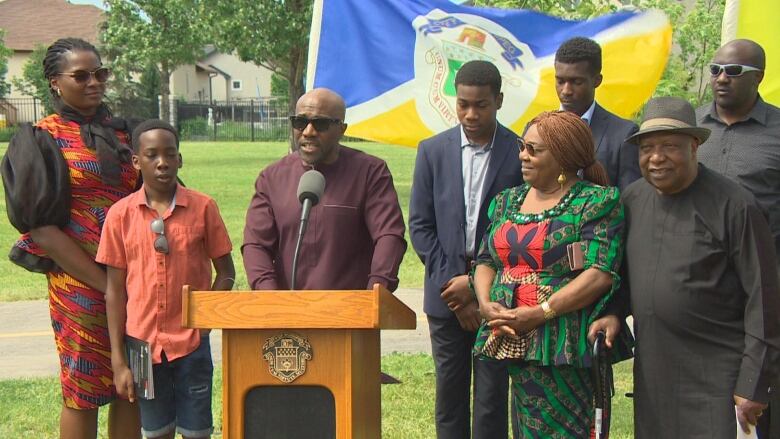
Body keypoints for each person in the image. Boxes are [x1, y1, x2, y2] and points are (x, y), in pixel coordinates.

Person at [589, 96, 780, 438]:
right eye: (647, 148)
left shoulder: (735, 206)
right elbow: (629, 275)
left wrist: (753, 381)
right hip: (655, 372)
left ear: (694, 146)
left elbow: (764, 299)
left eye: (669, 146)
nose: (656, 158)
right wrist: (615, 312)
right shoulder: (633, 199)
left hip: (719, 377)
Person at [0, 38, 141, 438]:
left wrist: (133, 284)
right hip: (79, 283)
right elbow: (42, 229)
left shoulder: (126, 134)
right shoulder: (40, 139)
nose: (94, 82)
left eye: (100, 73)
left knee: (131, 385)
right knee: (83, 389)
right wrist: (107, 287)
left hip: (135, 278)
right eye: (81, 76)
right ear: (55, 83)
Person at [472, 110, 632, 437]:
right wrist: (486, 303)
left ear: (563, 156)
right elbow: (486, 259)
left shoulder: (595, 202)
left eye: (534, 150)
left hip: (562, 343)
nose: (523, 156)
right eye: (522, 146)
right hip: (513, 336)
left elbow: (600, 273)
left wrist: (540, 313)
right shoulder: (508, 201)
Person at [97, 120, 235, 439]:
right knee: (156, 430)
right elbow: (114, 292)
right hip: (142, 347)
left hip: (192, 346)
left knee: (197, 430)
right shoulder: (120, 215)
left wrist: (204, 323)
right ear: (136, 161)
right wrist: (119, 361)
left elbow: (226, 272)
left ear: (180, 159)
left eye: (170, 154)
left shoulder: (203, 208)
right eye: (151, 155)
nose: (162, 162)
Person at [409, 60, 523, 438]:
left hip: (499, 299)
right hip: (445, 300)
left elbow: (519, 229)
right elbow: (421, 227)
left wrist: (477, 287)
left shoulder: (519, 151)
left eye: (481, 105)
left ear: (499, 101)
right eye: (463, 104)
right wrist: (456, 289)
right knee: (450, 396)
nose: (471, 114)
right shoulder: (432, 151)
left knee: (492, 398)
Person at [696, 38, 780, 439]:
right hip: (698, 289)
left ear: (759, 77)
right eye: (715, 70)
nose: (721, 78)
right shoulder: (691, 131)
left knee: (758, 406)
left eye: (734, 72)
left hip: (762, 290)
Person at [242, 87, 406, 291]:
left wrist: (376, 291)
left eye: (320, 124)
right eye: (300, 122)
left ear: (342, 129)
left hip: (350, 313)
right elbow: (256, 244)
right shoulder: (272, 177)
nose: (308, 132)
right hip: (286, 315)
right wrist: (271, 298)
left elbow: (388, 235)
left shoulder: (370, 172)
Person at [554, 37, 641, 190]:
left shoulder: (623, 135)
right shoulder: (537, 130)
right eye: (560, 81)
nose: (566, 91)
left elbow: (630, 197)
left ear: (597, 80)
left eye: (576, 82)